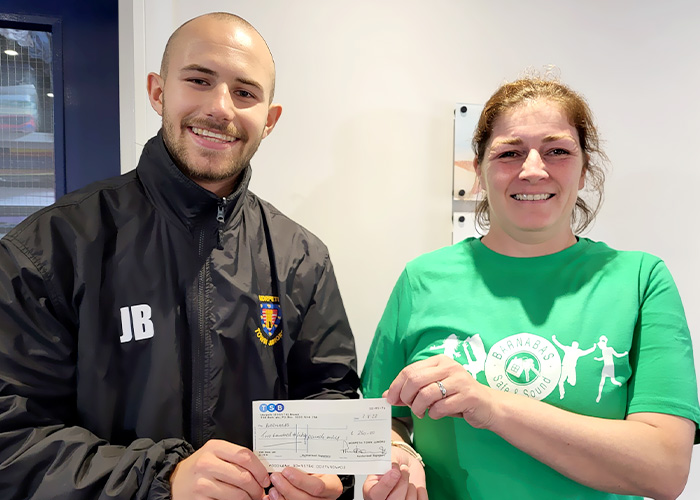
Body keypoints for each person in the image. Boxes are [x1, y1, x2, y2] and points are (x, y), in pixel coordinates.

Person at [0, 12, 359, 500]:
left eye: (245, 92)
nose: (220, 108)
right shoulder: (51, 247)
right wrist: (160, 481)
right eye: (199, 80)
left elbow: (329, 400)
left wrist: (330, 477)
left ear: (269, 121)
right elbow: (11, 440)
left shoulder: (302, 259)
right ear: (158, 92)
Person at [361, 77, 700, 500]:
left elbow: (665, 469)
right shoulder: (422, 278)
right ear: (479, 171)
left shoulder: (640, 279)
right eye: (510, 153)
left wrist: (491, 406)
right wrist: (396, 453)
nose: (533, 169)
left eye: (557, 151)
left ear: (585, 169)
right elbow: (380, 416)